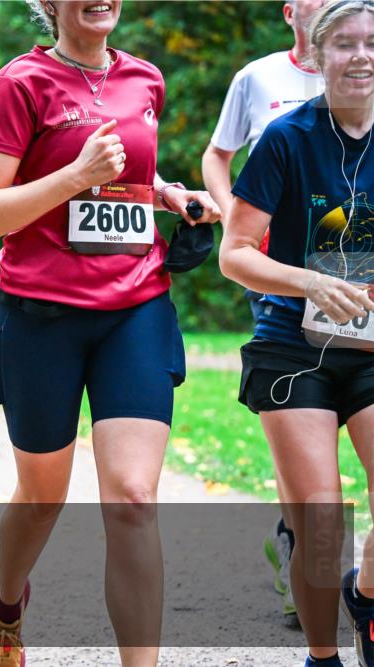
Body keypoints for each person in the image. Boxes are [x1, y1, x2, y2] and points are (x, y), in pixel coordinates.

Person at [0, 1, 222, 665]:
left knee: (134, 498)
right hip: (39, 315)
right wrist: (76, 175)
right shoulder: (20, 83)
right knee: (43, 497)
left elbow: (130, 173)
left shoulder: (146, 80)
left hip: (136, 306)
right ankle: (8, 601)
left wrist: (168, 194)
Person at [219, 2, 373, 665]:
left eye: (373, 43)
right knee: (321, 514)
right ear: (317, 55)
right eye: (344, 45)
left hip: (371, 343)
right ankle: (322, 656)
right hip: (294, 346)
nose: (362, 56)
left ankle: (364, 594)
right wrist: (306, 281)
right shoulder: (285, 137)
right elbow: (235, 252)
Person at [202, 0, 329, 624]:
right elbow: (216, 156)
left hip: (356, 275)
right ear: (290, 12)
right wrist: (234, 215)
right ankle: (300, 545)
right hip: (275, 272)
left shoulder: (360, 68)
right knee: (300, 412)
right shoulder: (258, 79)